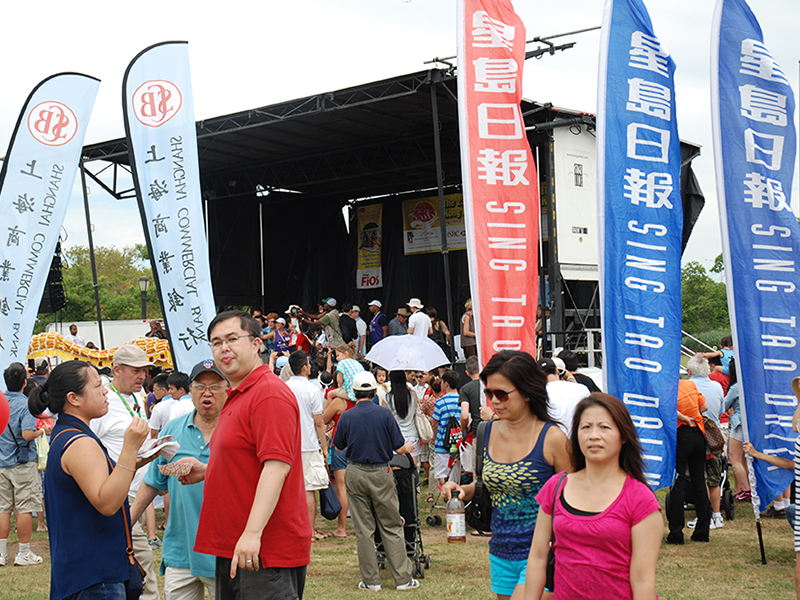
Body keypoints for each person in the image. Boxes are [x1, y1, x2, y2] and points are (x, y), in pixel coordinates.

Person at [188, 310, 310, 600]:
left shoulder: (268, 394)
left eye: (232, 339)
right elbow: (250, 458)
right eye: (216, 342)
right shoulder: (238, 393)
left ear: (257, 344)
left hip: (263, 550)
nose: (224, 348)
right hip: (236, 545)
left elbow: (276, 466)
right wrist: (207, 469)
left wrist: (253, 533)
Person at [443, 351, 570, 599]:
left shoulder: (552, 438)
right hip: (500, 550)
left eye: (501, 394)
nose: (494, 402)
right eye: (489, 393)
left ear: (526, 391)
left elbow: (573, 495)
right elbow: (486, 485)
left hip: (542, 550)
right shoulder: (487, 431)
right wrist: (460, 489)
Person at [28, 360, 152, 599]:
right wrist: (130, 448)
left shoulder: (66, 434)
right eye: (97, 386)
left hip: (83, 571)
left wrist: (129, 466)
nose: (105, 391)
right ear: (74, 398)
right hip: (95, 577)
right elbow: (107, 503)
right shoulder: (80, 442)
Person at [524, 393, 662, 600]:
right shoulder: (556, 487)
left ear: (623, 437)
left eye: (604, 427)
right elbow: (537, 556)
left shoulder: (640, 499)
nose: (594, 435)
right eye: (586, 427)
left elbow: (643, 579)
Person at [131, 359, 229, 600]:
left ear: (228, 390)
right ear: (190, 391)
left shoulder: (237, 431)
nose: (207, 392)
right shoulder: (173, 430)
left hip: (224, 553)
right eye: (200, 386)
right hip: (181, 551)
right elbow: (152, 482)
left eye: (215, 386)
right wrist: (124, 526)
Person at [332, 371, 419, 591]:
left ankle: (371, 581)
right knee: (391, 524)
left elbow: (339, 446)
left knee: (363, 529)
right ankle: (402, 579)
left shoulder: (347, 416)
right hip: (381, 472)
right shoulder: (384, 414)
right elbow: (399, 447)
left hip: (355, 472)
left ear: (355, 392)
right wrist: (407, 448)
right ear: (374, 391)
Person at [91, 344, 160, 600]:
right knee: (142, 562)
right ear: (117, 370)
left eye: (145, 369)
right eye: (136, 370)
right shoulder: (102, 402)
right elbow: (90, 447)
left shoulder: (135, 397)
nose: (143, 375)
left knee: (134, 563)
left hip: (141, 491)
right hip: (119, 496)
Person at [0, 363, 46, 566]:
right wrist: (41, 431)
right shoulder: (26, 404)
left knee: (3, 509)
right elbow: (27, 434)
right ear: (24, 382)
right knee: (25, 507)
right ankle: (24, 552)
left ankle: (1, 554)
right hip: (22, 462)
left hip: (2, 463)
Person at [284, 351, 330, 542]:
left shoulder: (283, 387)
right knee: (309, 489)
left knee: (290, 489)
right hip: (309, 444)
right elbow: (319, 422)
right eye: (309, 364)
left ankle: (293, 529)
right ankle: (310, 530)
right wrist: (325, 446)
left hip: (288, 444)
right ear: (304, 367)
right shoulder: (312, 390)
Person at [667, 379, 711, 544]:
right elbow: (704, 407)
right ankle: (702, 531)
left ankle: (676, 533)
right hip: (698, 434)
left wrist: (683, 417)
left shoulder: (667, 386)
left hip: (681, 432)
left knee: (678, 484)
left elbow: (668, 409)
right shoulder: (690, 384)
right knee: (699, 482)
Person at [685, 356, 726, 530]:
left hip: (693, 434)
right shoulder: (716, 387)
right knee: (714, 478)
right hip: (713, 436)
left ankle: (703, 515)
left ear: (689, 372)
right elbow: (722, 410)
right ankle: (717, 515)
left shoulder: (687, 387)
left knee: (697, 477)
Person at [539, 357, 590, 438]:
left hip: (551, 442)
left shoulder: (539, 394)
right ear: (556, 370)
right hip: (579, 442)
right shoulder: (581, 389)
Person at [724, 359, 750, 501]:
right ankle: (744, 488)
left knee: (735, 460)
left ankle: (746, 491)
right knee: (746, 460)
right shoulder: (751, 383)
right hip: (751, 425)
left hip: (738, 425)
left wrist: (730, 412)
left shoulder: (735, 387)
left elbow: (723, 404)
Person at [382, 371, 420, 465]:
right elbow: (415, 410)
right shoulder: (412, 394)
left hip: (395, 436)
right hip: (412, 434)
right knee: (413, 468)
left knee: (396, 467)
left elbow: (384, 418)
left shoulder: (387, 398)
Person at [431, 371, 461, 486]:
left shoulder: (440, 402)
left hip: (442, 443)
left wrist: (434, 437)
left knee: (442, 474)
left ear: (446, 384)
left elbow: (435, 423)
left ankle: (447, 496)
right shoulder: (461, 400)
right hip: (458, 443)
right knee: (458, 472)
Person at [460, 356, 482, 437]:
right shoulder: (490, 385)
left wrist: (463, 427)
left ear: (467, 372)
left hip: (478, 431)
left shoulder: (465, 389)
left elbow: (465, 416)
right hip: (496, 430)